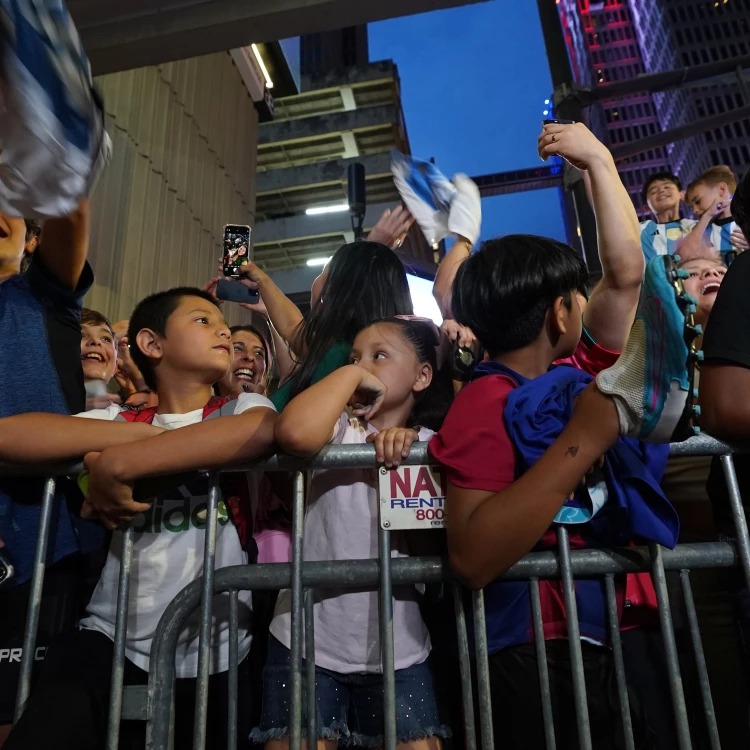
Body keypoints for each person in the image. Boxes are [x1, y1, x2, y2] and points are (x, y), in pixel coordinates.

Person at [430, 122, 679, 748]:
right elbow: (472, 554)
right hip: (529, 651)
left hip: (604, 632)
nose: (587, 297)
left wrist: (598, 160)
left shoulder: (578, 372)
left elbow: (627, 275)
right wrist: (582, 442)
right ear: (560, 313)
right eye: (576, 291)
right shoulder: (484, 401)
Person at [1, 287, 278, 750]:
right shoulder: (118, 417)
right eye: (203, 321)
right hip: (111, 636)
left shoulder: (239, 407)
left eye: (222, 323)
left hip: (219, 650)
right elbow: (11, 435)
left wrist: (117, 461)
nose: (224, 330)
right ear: (152, 344)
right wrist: (135, 435)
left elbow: (261, 431)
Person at [253, 317, 453, 749]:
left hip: (400, 647)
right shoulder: (336, 431)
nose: (364, 366)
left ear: (422, 376)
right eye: (354, 358)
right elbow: (293, 431)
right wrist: (352, 375)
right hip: (304, 640)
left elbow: (427, 550)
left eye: (379, 356)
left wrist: (408, 463)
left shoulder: (429, 444)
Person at [0, 201, 106, 742]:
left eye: (8, 212)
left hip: (42, 539)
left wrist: (54, 158)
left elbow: (69, 207)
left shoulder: (42, 298)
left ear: (32, 240)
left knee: (19, 713)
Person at [685, 165, 747, 260]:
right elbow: (685, 256)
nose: (695, 210)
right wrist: (707, 215)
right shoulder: (701, 232)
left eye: (697, 201)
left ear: (722, 190)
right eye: (692, 206)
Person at [639, 171, 699, 261]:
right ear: (647, 207)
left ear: (682, 195)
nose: (661, 191)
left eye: (667, 186)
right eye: (653, 191)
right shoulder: (642, 231)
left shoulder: (698, 226)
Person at [216, 324, 272, 399]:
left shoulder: (280, 410)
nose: (250, 357)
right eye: (237, 349)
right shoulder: (197, 409)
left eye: (258, 353)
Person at [79, 308, 120, 410]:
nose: (96, 341)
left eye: (106, 339)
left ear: (115, 366)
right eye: (80, 335)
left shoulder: (127, 417)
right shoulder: (39, 409)